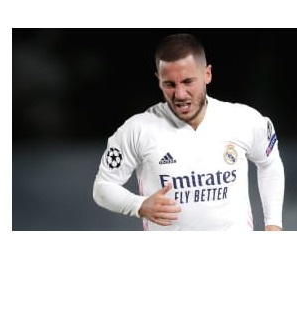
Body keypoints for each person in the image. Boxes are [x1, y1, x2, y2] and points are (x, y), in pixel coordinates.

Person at [92, 33, 284, 230]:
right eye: (169, 84)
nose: (180, 94)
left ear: (207, 74)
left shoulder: (243, 120)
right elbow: (102, 187)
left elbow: (269, 164)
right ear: (158, 80)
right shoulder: (138, 130)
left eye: (187, 82)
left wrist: (273, 225)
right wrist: (138, 205)